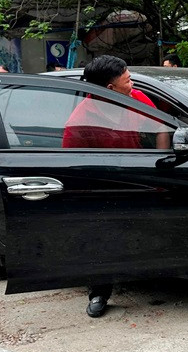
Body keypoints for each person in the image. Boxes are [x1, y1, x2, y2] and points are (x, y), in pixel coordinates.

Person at [61, 55, 170, 317]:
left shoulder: (135, 98)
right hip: (102, 186)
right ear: (110, 89)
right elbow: (70, 165)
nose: (132, 82)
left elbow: (161, 126)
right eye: (127, 79)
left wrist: (160, 166)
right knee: (102, 238)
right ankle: (99, 292)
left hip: (138, 177)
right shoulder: (80, 120)